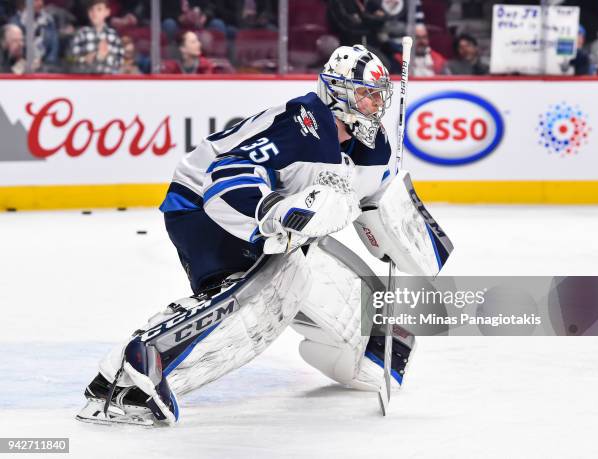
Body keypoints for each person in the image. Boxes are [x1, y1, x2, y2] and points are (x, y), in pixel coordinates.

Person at [76, 44, 417, 426]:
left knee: (307, 272)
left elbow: (368, 203)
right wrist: (271, 214)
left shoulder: (374, 146)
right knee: (269, 290)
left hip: (262, 217)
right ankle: (139, 370)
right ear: (337, 90)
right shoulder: (303, 125)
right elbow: (224, 176)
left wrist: (395, 233)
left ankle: (368, 345)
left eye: (377, 96)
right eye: (364, 94)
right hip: (200, 207)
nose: (373, 104)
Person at [70, 0, 123, 73]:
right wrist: (84, 59)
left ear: (107, 12)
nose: (95, 13)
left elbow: (119, 62)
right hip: (85, 80)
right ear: (88, 13)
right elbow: (70, 59)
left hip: (107, 81)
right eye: (91, 9)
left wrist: (103, 57)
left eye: (99, 9)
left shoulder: (113, 36)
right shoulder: (81, 34)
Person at [9, 0, 59, 71]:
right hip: (21, 67)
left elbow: (54, 48)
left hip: (45, 66)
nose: (40, 3)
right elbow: (13, 54)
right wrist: (27, 65)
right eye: (36, 1)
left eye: (41, 0)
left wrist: (46, 65)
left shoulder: (49, 21)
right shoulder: (15, 22)